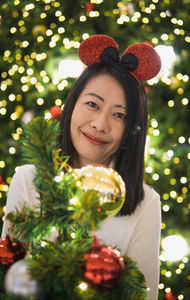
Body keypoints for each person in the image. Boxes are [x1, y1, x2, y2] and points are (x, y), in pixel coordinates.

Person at [2, 35, 161, 300]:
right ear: (72, 106)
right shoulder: (27, 180)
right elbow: (7, 277)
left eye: (119, 115)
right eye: (92, 104)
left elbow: (144, 295)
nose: (100, 124)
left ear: (132, 131)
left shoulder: (146, 203)